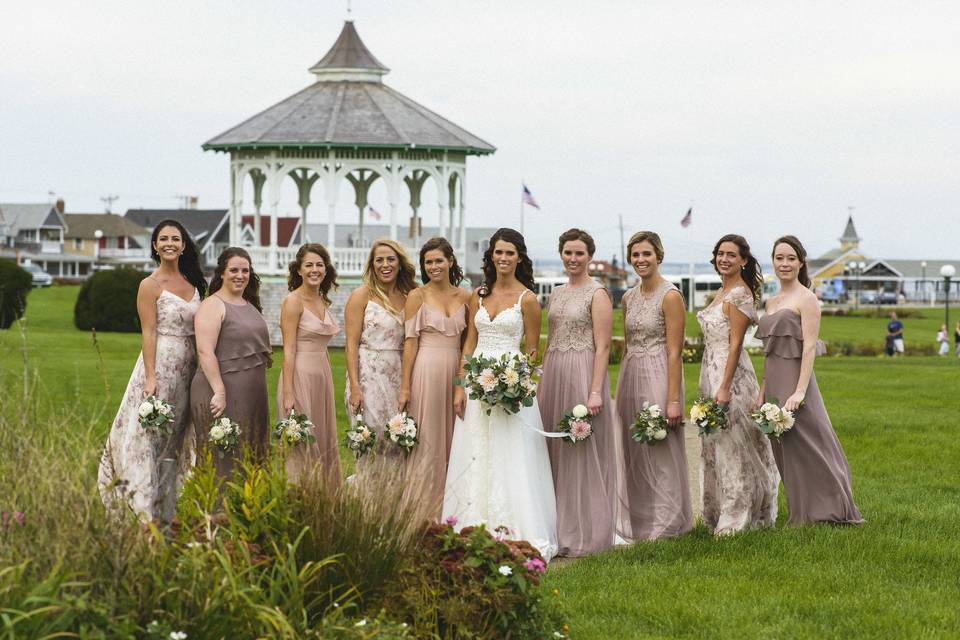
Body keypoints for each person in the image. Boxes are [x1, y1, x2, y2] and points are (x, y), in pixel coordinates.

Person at [443, 228, 558, 561]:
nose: (503, 258)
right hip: (478, 385)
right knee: (475, 450)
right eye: (498, 252)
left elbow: (534, 351)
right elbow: (469, 344)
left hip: (511, 385)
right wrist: (460, 386)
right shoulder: (478, 295)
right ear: (491, 256)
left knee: (511, 454)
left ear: (519, 257)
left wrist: (517, 384)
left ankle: (514, 525)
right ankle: (470, 522)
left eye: (510, 253)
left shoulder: (529, 300)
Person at [98, 220, 206, 520]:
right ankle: (144, 508)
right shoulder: (149, 285)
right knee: (150, 436)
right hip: (159, 367)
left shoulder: (196, 284)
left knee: (177, 437)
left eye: (176, 238)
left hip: (188, 371)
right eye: (164, 239)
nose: (170, 243)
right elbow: (148, 333)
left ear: (183, 246)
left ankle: (169, 505)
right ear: (156, 246)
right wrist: (150, 377)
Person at [757, 236, 863, 525]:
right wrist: (763, 390)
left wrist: (800, 391)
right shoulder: (772, 301)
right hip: (774, 383)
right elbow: (771, 349)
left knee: (813, 443)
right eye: (779, 258)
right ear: (773, 261)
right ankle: (802, 511)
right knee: (786, 448)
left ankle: (833, 508)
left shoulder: (807, 299)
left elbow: (808, 348)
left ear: (800, 262)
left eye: (791, 258)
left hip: (797, 382)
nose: (785, 264)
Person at [537, 229, 617, 556]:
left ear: (589, 256)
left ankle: (585, 530)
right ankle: (557, 525)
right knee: (554, 448)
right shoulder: (555, 293)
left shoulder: (597, 294)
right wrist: (540, 380)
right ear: (561, 254)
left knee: (581, 451)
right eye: (568, 253)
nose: (573, 259)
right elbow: (550, 338)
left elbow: (604, 346)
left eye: (579, 254)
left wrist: (595, 391)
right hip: (555, 371)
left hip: (583, 371)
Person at [696, 234, 778, 535]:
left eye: (731, 255)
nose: (724, 259)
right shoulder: (723, 290)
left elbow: (734, 345)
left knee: (735, 446)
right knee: (717, 444)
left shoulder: (740, 295)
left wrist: (724, 386)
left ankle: (739, 515)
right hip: (711, 369)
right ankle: (718, 510)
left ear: (743, 260)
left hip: (731, 375)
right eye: (720, 254)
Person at [614, 231, 692, 541]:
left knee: (661, 445)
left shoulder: (670, 296)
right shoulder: (628, 298)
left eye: (646, 254)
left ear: (658, 256)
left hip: (661, 371)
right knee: (634, 448)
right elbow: (628, 343)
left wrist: (673, 399)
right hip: (631, 373)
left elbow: (675, 351)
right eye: (635, 255)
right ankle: (640, 520)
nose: (641, 260)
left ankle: (669, 522)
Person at [399, 238, 470, 517]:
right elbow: (410, 343)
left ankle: (453, 510)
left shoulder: (466, 297)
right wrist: (405, 387)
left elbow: (468, 345)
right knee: (428, 439)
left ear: (450, 261)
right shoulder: (417, 296)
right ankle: (423, 512)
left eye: (439, 260)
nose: (434, 266)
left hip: (455, 369)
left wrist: (460, 383)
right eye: (428, 262)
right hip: (426, 370)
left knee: (456, 438)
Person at [190, 248, 271, 479]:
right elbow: (205, 351)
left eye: (245, 270)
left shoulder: (249, 303)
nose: (240, 275)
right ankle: (216, 514)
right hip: (220, 392)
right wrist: (220, 391)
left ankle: (247, 511)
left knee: (250, 456)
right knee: (223, 459)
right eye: (234, 270)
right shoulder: (212, 305)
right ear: (222, 273)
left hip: (252, 396)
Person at [344, 240, 417, 466]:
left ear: (400, 263)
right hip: (367, 376)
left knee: (397, 437)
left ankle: (394, 498)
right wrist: (355, 386)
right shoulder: (362, 295)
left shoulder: (410, 297)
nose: (385, 265)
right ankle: (366, 499)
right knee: (371, 438)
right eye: (379, 260)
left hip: (398, 376)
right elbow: (350, 344)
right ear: (372, 265)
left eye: (390, 259)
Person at [277, 243, 341, 485]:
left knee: (323, 438)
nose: (315, 269)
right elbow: (289, 348)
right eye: (309, 265)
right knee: (303, 443)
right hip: (300, 375)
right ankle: (300, 500)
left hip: (322, 375)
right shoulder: (293, 302)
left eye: (319, 265)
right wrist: (288, 393)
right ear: (299, 270)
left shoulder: (322, 300)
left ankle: (324, 502)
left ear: (326, 269)